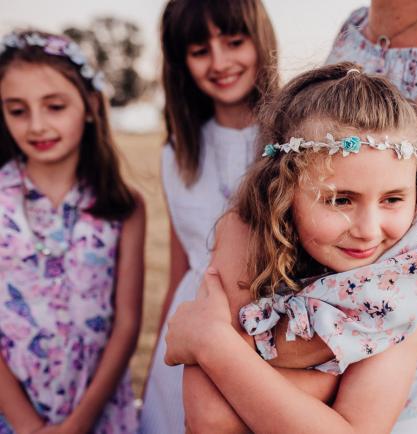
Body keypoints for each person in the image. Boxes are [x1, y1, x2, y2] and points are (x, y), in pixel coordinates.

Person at [171, 0, 417, 431]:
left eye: (394, 199)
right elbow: (208, 418)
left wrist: (219, 345)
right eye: (341, 200)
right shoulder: (355, 28)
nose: (368, 227)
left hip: (412, 381)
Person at [140, 0, 279, 432]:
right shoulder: (176, 153)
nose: (220, 62)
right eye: (200, 51)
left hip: (274, 330)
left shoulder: (293, 137)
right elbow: (182, 265)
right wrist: (152, 370)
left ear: (260, 40)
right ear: (181, 61)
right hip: (192, 326)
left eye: (234, 42)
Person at [0, 30, 144, 433]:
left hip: (96, 408)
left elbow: (127, 323)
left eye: (55, 106)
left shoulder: (124, 206)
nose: (37, 125)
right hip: (12, 410)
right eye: (17, 110)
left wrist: (79, 424)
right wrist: (28, 425)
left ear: (89, 106)